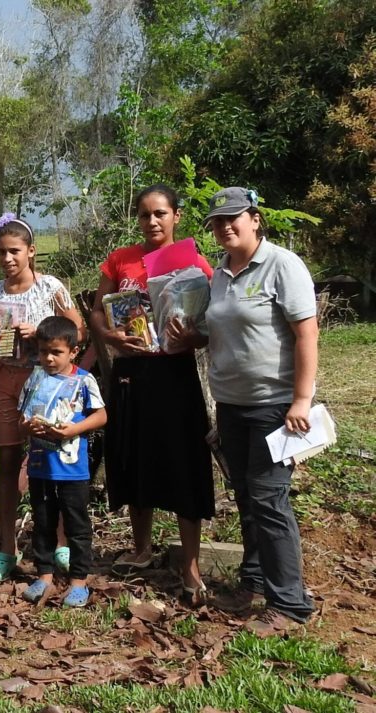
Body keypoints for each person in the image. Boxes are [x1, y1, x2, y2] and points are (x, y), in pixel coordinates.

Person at [174, 187, 317, 633]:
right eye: (217, 222)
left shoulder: (281, 265)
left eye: (234, 218)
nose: (225, 227)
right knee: (248, 499)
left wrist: (302, 399)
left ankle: (290, 604)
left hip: (275, 406)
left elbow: (306, 334)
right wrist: (189, 337)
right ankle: (254, 579)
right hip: (232, 405)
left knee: (270, 500)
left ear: (255, 218)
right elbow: (219, 334)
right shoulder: (219, 274)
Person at [89, 184, 214, 605]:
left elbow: (211, 323)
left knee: (182, 461)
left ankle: (190, 565)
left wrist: (193, 338)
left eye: (160, 213)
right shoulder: (122, 259)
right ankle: (141, 549)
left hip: (174, 373)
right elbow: (97, 309)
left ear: (176, 215)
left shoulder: (194, 262)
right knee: (131, 456)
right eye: (144, 215)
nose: (152, 221)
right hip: (131, 373)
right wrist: (111, 337)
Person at [0, 213, 84, 583]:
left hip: (46, 384)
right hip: (6, 380)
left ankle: (60, 543)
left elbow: (77, 329)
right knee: (9, 461)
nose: (7, 259)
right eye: (1, 253)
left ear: (31, 252)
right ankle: (7, 547)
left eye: (15, 252)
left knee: (51, 461)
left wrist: (39, 334)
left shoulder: (51, 287)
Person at [19, 317, 106, 608]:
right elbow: (22, 416)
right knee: (42, 521)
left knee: (76, 524)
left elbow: (101, 415)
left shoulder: (84, 380)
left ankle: (79, 581)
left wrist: (74, 429)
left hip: (73, 468)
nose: (49, 358)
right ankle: (43, 576)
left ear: (73, 351)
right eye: (44, 351)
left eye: (56, 352)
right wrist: (28, 426)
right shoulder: (35, 378)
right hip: (41, 466)